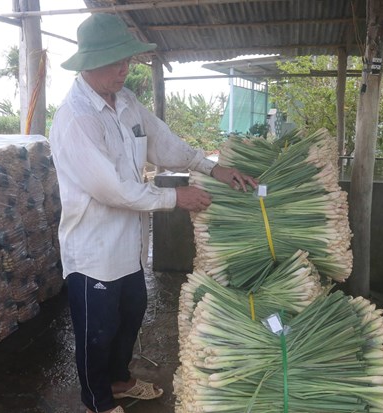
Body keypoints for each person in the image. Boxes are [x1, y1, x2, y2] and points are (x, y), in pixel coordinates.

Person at [49, 13, 257, 413]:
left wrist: (212, 167)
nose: (124, 69)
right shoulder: (77, 119)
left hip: (129, 244)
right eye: (116, 62)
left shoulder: (124, 102)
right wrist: (174, 198)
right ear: (89, 63)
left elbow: (162, 142)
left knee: (130, 318)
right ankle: (97, 401)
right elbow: (111, 190)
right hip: (94, 252)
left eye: (127, 60)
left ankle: (121, 380)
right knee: (98, 332)